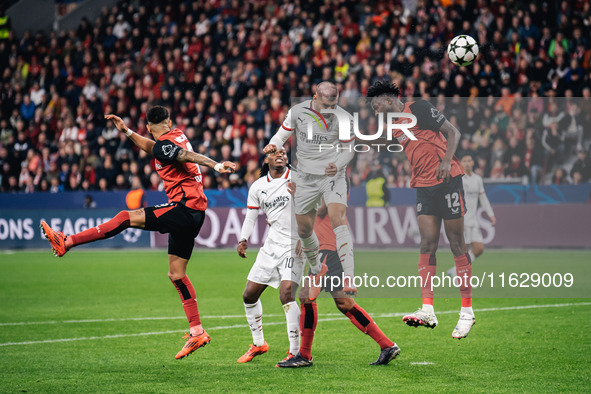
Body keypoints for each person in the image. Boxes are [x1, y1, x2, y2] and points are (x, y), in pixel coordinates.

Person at [40, 106, 236, 359]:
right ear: (168, 121)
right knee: (176, 274)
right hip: (195, 212)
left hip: (183, 208)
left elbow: (185, 155)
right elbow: (154, 147)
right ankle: (197, 332)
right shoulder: (174, 134)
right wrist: (127, 131)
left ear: (149, 127)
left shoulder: (165, 144)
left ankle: (67, 241)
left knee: (124, 217)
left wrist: (216, 165)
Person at [367, 80, 474, 339]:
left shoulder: (420, 108)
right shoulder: (392, 127)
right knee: (427, 245)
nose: (375, 111)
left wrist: (447, 161)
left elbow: (453, 132)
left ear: (388, 99)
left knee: (457, 244)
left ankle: (467, 312)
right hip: (423, 186)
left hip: (448, 179)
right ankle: (428, 308)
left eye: (376, 105)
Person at [277, 193, 400, 368]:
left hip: (328, 248)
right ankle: (387, 345)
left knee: (306, 296)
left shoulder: (329, 180)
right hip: (327, 246)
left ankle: (304, 355)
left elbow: (319, 210)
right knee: (344, 303)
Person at [263, 81, 356, 297]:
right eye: (325, 105)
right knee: (304, 230)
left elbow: (349, 149)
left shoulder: (344, 118)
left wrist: (338, 164)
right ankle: (316, 268)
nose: (330, 110)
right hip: (305, 177)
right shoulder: (298, 112)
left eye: (333, 105)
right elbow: (281, 136)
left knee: (337, 218)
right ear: (315, 99)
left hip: (332, 174)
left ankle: (350, 277)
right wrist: (272, 145)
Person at [236, 148, 304, 365]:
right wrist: (243, 238)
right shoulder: (258, 187)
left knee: (286, 294)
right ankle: (258, 344)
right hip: (271, 245)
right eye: (276, 153)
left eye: (284, 153)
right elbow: (251, 215)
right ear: (266, 159)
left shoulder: (297, 178)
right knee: (249, 295)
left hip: (294, 245)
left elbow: (314, 206)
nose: (281, 155)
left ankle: (295, 352)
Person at [447, 155, 496, 277]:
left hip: (473, 220)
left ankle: (454, 271)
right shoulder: (459, 179)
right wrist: (457, 220)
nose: (467, 163)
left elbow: (483, 198)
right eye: (464, 161)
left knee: (479, 249)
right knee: (463, 251)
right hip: (462, 220)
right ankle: (460, 275)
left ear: (473, 162)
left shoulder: (478, 179)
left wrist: (491, 215)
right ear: (461, 164)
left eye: (469, 160)